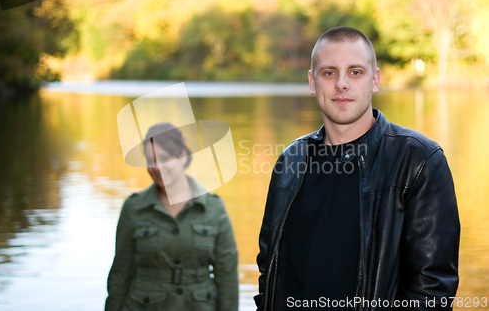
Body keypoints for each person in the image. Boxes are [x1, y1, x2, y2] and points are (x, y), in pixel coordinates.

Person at [255, 27, 460, 310]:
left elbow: (433, 287)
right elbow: (270, 268)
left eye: (355, 72)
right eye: (329, 73)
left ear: (374, 80)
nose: (341, 84)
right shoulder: (291, 161)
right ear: (312, 82)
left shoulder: (419, 160)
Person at [105, 122, 239, 311]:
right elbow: (120, 274)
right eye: (150, 160)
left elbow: (227, 277)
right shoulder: (133, 208)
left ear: (183, 156)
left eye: (164, 158)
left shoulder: (214, 208)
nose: (157, 167)